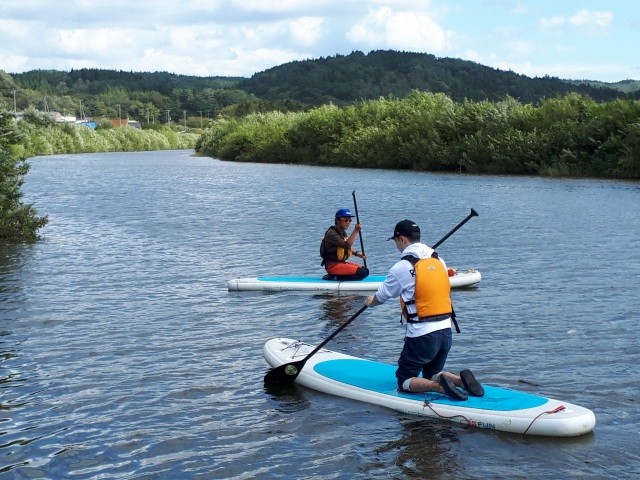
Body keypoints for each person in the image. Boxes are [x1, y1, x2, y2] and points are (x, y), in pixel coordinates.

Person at [364, 219, 483, 400]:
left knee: (404, 380)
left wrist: (370, 302)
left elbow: (381, 297)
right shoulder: (439, 260)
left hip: (422, 335)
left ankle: (439, 387)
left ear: (402, 239)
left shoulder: (401, 267)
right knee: (432, 371)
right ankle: (459, 381)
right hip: (446, 331)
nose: (396, 246)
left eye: (396, 242)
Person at [320, 208, 369, 281]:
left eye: (350, 220)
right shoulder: (332, 234)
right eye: (345, 220)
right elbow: (347, 245)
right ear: (337, 220)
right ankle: (335, 277)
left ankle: (339, 275)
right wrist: (356, 230)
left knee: (366, 271)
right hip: (333, 266)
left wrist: (356, 253)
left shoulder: (342, 232)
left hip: (341, 263)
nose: (348, 222)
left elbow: (344, 248)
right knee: (361, 273)